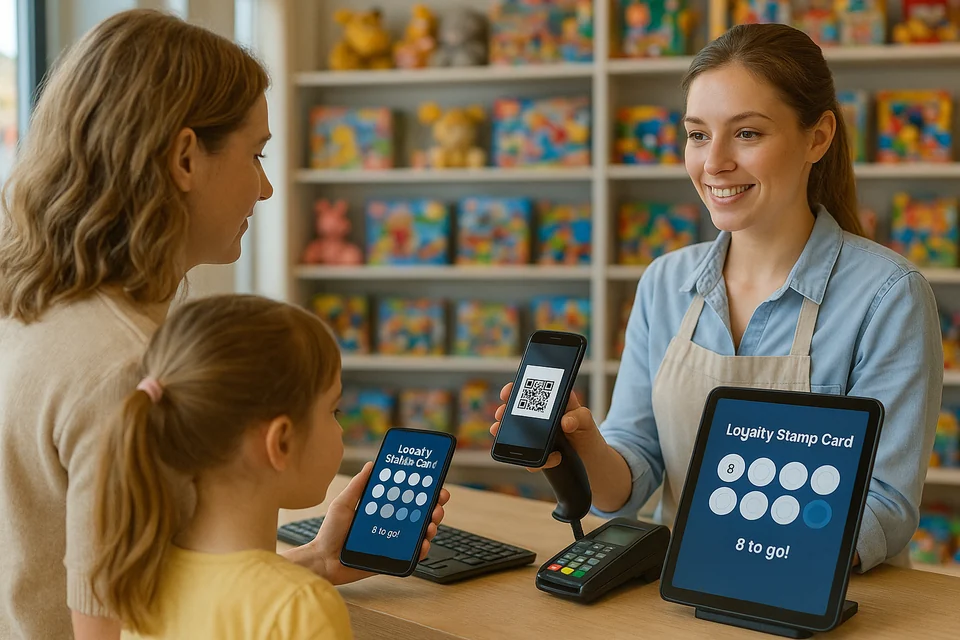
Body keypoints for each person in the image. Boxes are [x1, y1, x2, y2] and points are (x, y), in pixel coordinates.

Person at [0, 10, 446, 639]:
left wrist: (314, 562)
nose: (265, 189)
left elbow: (163, 605)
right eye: (256, 155)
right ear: (186, 157)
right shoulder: (126, 368)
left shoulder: (30, 308)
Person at [491, 23, 942, 573]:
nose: (714, 162)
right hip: (677, 595)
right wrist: (583, 443)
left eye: (747, 133)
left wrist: (730, 559)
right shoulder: (664, 282)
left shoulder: (888, 295)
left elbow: (884, 508)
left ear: (818, 137)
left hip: (817, 593)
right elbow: (630, 479)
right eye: (698, 134)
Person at [91, 294, 443, 639]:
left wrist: (319, 558)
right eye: (333, 410)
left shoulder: (140, 574)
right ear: (281, 442)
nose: (340, 429)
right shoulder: (300, 609)